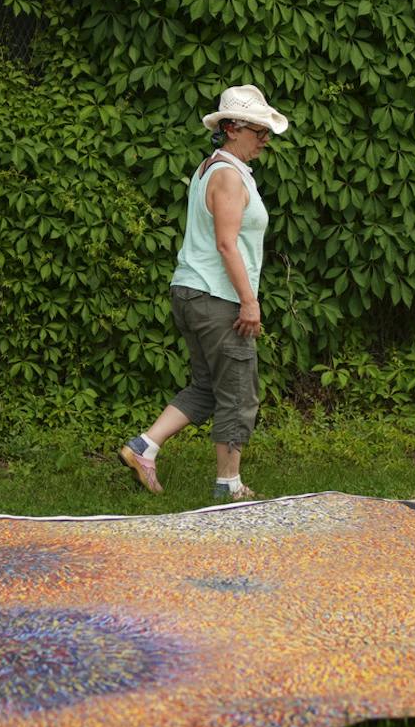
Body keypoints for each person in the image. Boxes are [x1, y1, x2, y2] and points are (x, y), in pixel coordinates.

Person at [120, 85, 289, 501]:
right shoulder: (229, 176)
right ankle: (229, 485)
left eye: (266, 132)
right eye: (258, 131)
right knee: (237, 389)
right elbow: (227, 244)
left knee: (209, 388)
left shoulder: (210, 168)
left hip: (192, 292)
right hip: (217, 298)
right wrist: (249, 301)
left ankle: (143, 448)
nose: (264, 139)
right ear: (231, 128)